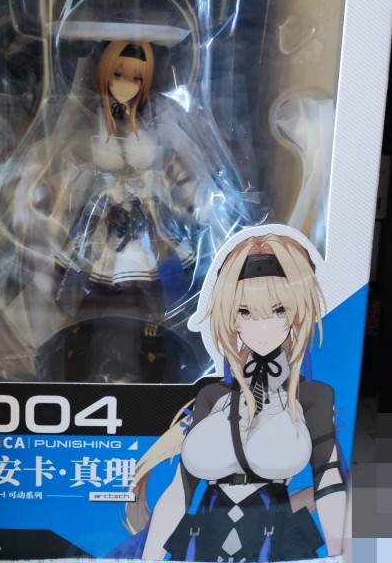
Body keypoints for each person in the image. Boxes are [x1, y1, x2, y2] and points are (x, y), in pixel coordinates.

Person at [124, 233, 346, 562]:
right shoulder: (212, 395)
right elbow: (180, 490)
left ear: (298, 312)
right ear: (230, 316)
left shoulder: (312, 396)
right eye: (244, 312)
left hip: (273, 534)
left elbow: (329, 481)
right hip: (207, 532)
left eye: (278, 310)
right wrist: (150, 558)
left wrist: (341, 555)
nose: (262, 327)